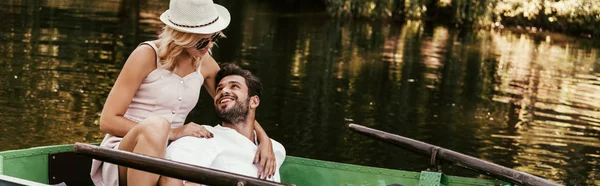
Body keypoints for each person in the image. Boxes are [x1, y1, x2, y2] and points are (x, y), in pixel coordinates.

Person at [90, 1, 276, 186]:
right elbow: (107, 121)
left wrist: (263, 139)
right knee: (157, 125)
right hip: (125, 155)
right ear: (181, 36)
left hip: (171, 156)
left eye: (214, 38)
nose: (209, 46)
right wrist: (172, 132)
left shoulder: (204, 62)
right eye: (202, 41)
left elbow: (236, 105)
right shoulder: (146, 55)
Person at [159, 63, 286, 186]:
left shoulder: (275, 150)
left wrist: (264, 139)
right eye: (219, 88)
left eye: (234, 86)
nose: (224, 91)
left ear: (254, 101)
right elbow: (170, 177)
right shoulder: (202, 136)